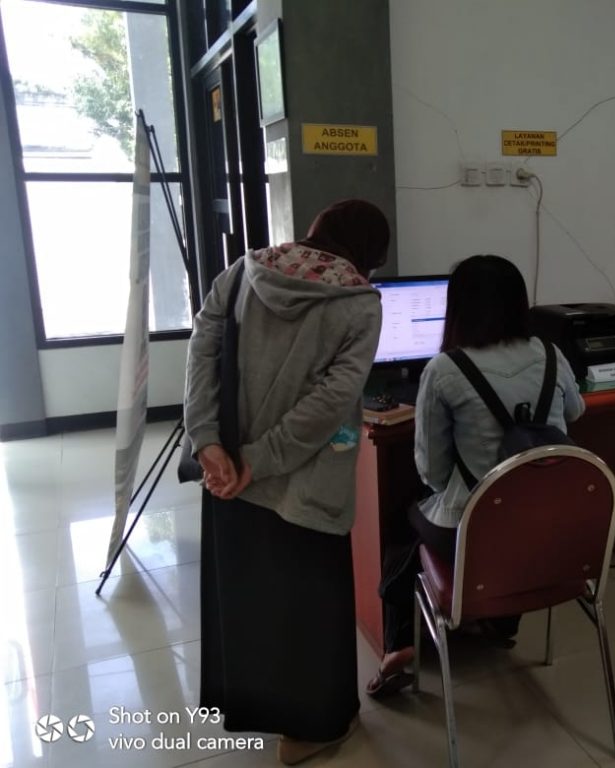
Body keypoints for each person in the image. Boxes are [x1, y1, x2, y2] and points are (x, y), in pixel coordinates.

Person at [184, 199, 389, 766]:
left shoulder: (243, 271)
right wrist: (262, 458)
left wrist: (209, 442)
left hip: (227, 472)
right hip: (305, 482)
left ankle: (256, 711)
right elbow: (332, 402)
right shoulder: (359, 303)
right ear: (370, 254)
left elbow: (201, 350)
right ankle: (312, 730)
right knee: (311, 610)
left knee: (249, 596)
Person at [365, 254, 585, 696]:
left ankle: (398, 645)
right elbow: (575, 411)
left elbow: (431, 471)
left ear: (458, 306)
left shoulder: (445, 370)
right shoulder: (551, 353)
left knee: (402, 521)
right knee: (517, 505)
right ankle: (502, 622)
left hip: (477, 529)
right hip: (554, 525)